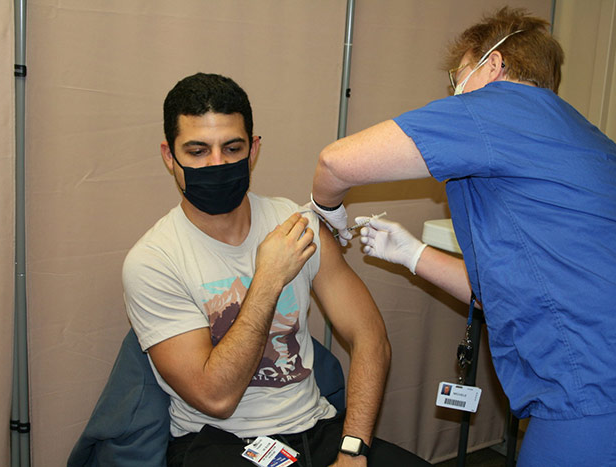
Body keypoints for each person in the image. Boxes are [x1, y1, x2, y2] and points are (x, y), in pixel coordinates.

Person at [309, 7, 616, 467]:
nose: (454, 89)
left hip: (603, 386)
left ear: (493, 64)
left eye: (457, 75)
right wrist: (412, 254)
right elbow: (511, 291)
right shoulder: (594, 142)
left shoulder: (498, 108)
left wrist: (325, 208)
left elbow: (335, 163)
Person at [122, 73, 431, 467]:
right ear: (170, 156)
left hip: (315, 428)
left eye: (231, 148)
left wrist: (353, 449)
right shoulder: (153, 261)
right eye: (198, 151)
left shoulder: (296, 225)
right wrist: (268, 277)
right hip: (220, 442)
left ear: (253, 150)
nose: (216, 164)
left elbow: (369, 335)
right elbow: (216, 398)